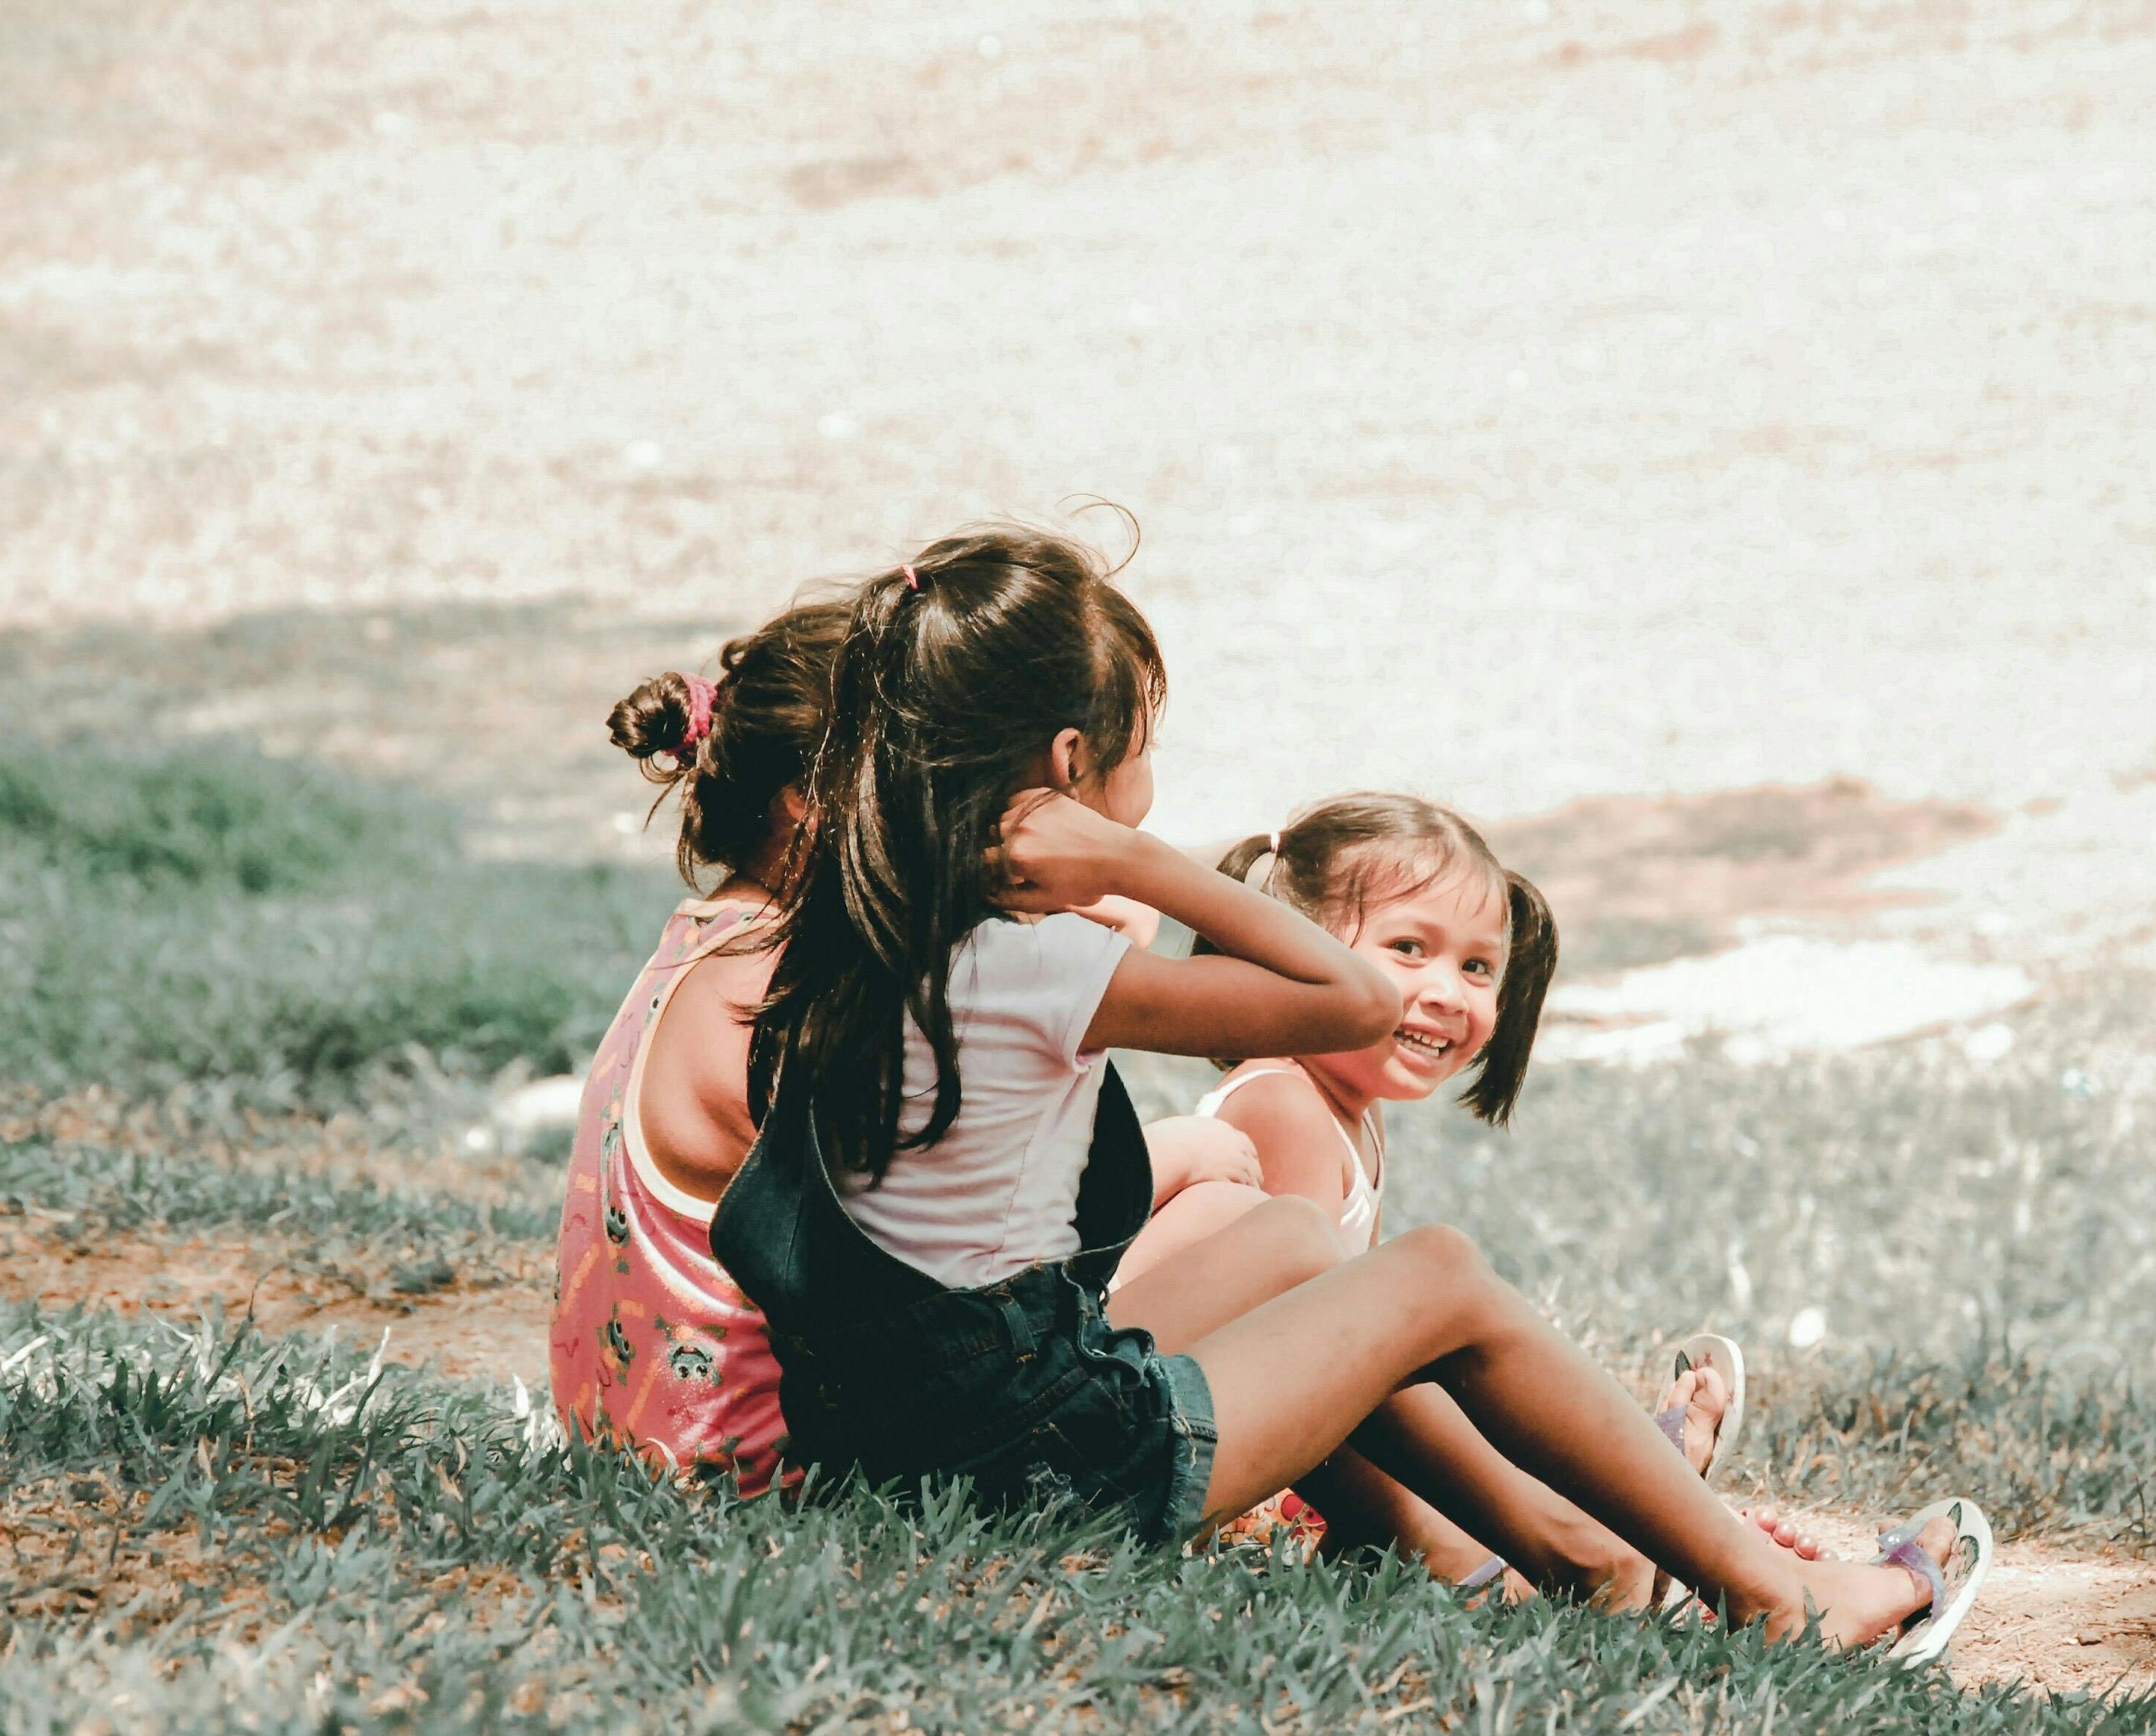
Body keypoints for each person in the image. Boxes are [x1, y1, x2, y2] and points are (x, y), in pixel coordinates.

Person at [709, 522, 1992, 1653]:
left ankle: (1579, 1554)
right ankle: (1779, 1598)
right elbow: (1354, 1002)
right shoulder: (1029, 961)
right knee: (1434, 1276)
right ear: (1070, 766)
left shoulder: (857, 925)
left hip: (892, 1443)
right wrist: (1133, 862)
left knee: (1285, 1240)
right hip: (1032, 1467)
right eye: (1138, 756)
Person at [553, 602, 1297, 1492]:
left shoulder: (726, 939)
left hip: (654, 1441)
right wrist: (1176, 1150)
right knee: (1259, 1232)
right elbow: (965, 1243)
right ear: (814, 806)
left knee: (1240, 1227)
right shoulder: (798, 992)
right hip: (777, 1478)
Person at [1115, 794, 1813, 1607]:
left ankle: (1615, 1503)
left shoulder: (1350, 1117)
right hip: (1201, 1441)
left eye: (1477, 968)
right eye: (1409, 949)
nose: (1449, 992)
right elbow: (1314, 1381)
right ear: (1290, 950)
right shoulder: (1283, 1105)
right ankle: (1551, 1538)